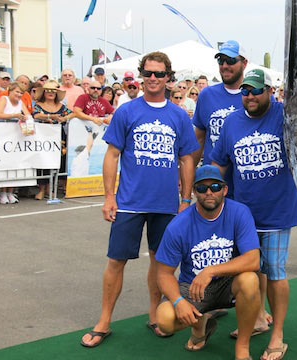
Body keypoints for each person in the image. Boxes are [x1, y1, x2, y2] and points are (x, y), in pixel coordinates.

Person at [80, 51, 200, 348]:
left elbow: (187, 159)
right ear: (141, 75)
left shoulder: (177, 116)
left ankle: (154, 314)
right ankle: (104, 321)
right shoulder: (126, 111)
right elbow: (112, 154)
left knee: (161, 264)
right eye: (148, 73)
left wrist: (186, 199)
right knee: (116, 261)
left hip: (166, 205)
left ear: (168, 78)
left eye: (159, 74)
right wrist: (109, 196)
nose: (153, 79)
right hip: (130, 203)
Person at [211, 68, 297, 360]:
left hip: (277, 210)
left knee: (274, 272)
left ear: (270, 92)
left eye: (256, 91)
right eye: (245, 91)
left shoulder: (286, 116)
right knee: (248, 271)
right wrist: (206, 193)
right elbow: (220, 164)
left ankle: (278, 334)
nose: (249, 96)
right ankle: (258, 319)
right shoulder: (232, 122)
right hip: (242, 213)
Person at [155, 165, 261, 358]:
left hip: (227, 282)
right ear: (194, 192)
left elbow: (253, 260)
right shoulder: (179, 225)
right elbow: (163, 274)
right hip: (193, 287)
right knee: (164, 320)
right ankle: (200, 327)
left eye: (215, 187)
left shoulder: (239, 212)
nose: (209, 192)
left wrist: (210, 271)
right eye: (202, 188)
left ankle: (242, 348)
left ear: (225, 190)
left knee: (250, 280)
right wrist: (178, 301)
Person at [192, 40, 250, 199]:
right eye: (221, 61)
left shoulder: (254, 96)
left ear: (244, 63)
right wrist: (189, 175)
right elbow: (199, 138)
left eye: (231, 61)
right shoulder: (206, 95)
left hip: (247, 185)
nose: (225, 65)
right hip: (214, 186)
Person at [32, 80, 74, 199]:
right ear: (43, 93)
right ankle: (42, 189)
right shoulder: (39, 105)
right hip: (43, 137)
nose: (51, 93)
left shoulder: (61, 106)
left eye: (53, 91)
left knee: (59, 161)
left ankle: (52, 188)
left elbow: (73, 114)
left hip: (59, 137)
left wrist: (64, 118)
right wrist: (50, 116)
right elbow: (36, 115)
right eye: (48, 91)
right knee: (43, 161)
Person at [0, 81, 32, 204]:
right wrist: (14, 115)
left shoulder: (21, 103)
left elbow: (28, 115)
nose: (19, 95)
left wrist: (26, 117)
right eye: (17, 92)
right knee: (4, 165)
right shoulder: (3, 99)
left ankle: (10, 192)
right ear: (10, 91)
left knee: (14, 165)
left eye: (21, 93)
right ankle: (2, 192)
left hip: (15, 138)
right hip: (2, 137)